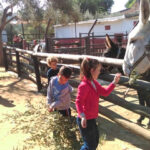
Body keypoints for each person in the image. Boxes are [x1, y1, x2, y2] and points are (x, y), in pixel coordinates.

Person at [75, 58, 121, 150]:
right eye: (98, 70)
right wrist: (83, 116)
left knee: (94, 142)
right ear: (92, 70)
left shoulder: (94, 83)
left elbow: (105, 92)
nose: (99, 72)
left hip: (91, 118)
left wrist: (114, 82)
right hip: (85, 119)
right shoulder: (84, 85)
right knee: (90, 146)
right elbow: (78, 102)